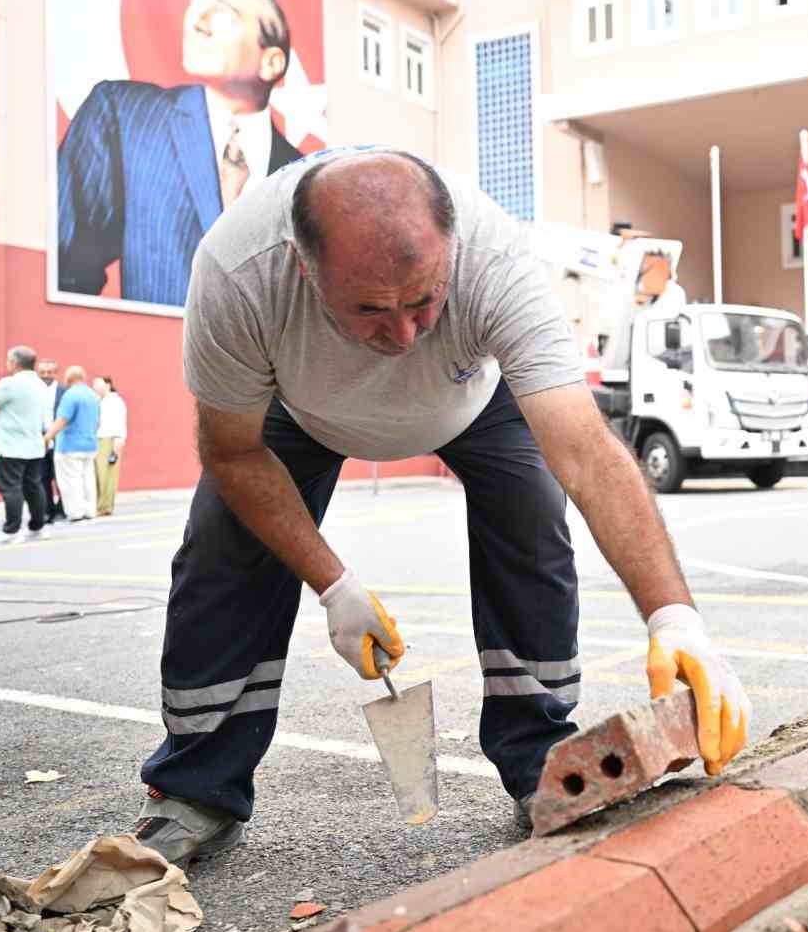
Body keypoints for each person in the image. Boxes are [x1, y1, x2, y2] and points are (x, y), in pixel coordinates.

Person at [134, 147, 750, 865]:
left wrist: (675, 619)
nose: (401, 335)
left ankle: (542, 760)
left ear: (452, 251)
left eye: (423, 300)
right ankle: (197, 785)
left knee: (533, 523)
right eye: (368, 308)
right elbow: (233, 453)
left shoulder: (495, 260)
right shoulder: (240, 271)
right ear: (304, 269)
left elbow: (585, 449)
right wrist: (334, 584)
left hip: (472, 402)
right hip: (297, 412)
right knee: (222, 550)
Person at [57, 0, 304, 307]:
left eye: (224, 12)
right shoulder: (122, 115)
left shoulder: (302, 178)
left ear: (271, 63)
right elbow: (66, 264)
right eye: (195, 1)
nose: (196, 21)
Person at [0, 347, 51, 546]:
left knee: (11, 489)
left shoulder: (9, 383)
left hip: (9, 446)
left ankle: (11, 530)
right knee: (34, 487)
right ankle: (37, 527)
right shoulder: (40, 384)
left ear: (15, 363)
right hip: (33, 444)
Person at [44, 366, 101, 523]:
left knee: (71, 480)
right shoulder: (92, 395)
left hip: (70, 446)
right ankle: (89, 511)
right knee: (88, 479)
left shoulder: (70, 395)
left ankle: (76, 513)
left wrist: (47, 437)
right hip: (90, 444)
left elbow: (62, 419)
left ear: (68, 379)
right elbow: (98, 421)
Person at [36, 359, 67, 523]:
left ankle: (62, 508)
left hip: (61, 439)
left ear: (56, 373)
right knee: (42, 477)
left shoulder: (64, 391)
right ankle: (47, 510)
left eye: (49, 372)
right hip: (39, 439)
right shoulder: (32, 391)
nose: (46, 376)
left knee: (61, 477)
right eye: (42, 372)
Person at [93, 375, 127, 516]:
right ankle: (98, 505)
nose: (95, 388)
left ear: (108, 385)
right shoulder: (99, 401)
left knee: (107, 475)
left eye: (98, 384)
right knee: (97, 475)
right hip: (98, 439)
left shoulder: (115, 402)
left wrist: (118, 443)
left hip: (110, 439)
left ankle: (105, 507)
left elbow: (119, 424)